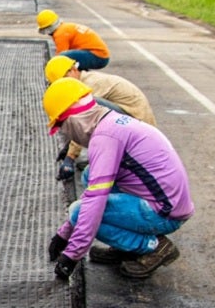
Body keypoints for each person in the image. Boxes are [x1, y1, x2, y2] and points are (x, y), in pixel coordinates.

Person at [41, 77, 193, 280]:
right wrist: (64, 233)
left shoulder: (106, 138)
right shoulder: (111, 121)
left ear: (72, 120)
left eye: (61, 126)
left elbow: (94, 201)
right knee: (89, 175)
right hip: (165, 201)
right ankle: (126, 246)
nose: (65, 133)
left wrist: (71, 254)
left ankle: (154, 247)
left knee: (79, 212)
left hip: (163, 212)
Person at [44, 54, 158, 180]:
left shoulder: (90, 85)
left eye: (66, 78)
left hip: (138, 126)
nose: (65, 83)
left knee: (86, 109)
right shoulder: (84, 81)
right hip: (133, 123)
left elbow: (84, 120)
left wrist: (70, 157)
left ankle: (110, 160)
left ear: (74, 70)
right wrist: (68, 145)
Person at [37, 9, 110, 71]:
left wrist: (50, 69)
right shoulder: (65, 27)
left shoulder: (60, 34)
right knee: (70, 58)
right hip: (99, 55)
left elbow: (60, 57)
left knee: (64, 57)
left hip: (98, 57)